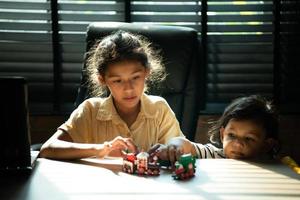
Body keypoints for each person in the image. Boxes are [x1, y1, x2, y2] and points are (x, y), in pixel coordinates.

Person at [40, 30, 184, 160]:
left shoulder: (159, 109)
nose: (128, 89)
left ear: (147, 72)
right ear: (102, 80)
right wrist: (101, 149)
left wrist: (171, 150)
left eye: (135, 77)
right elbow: (48, 149)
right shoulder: (90, 110)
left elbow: (180, 148)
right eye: (117, 81)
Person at [150, 95, 280, 164]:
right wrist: (174, 146)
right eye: (232, 135)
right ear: (223, 135)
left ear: (266, 145)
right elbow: (188, 146)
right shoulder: (214, 155)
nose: (238, 143)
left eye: (249, 138)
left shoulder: (274, 167)